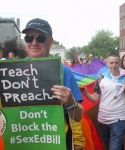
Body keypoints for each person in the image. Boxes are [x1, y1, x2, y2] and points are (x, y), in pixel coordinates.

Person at [22, 18, 84, 150]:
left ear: (50, 41)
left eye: (40, 38)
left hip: (55, 142)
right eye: (28, 38)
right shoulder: (13, 71)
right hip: (23, 141)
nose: (34, 43)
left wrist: (70, 102)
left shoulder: (64, 71)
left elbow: (78, 116)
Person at [82, 52, 125, 150]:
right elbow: (95, 98)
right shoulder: (101, 78)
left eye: (116, 63)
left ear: (120, 63)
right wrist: (86, 93)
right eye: (111, 63)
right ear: (107, 63)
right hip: (103, 119)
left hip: (119, 120)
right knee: (107, 147)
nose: (114, 65)